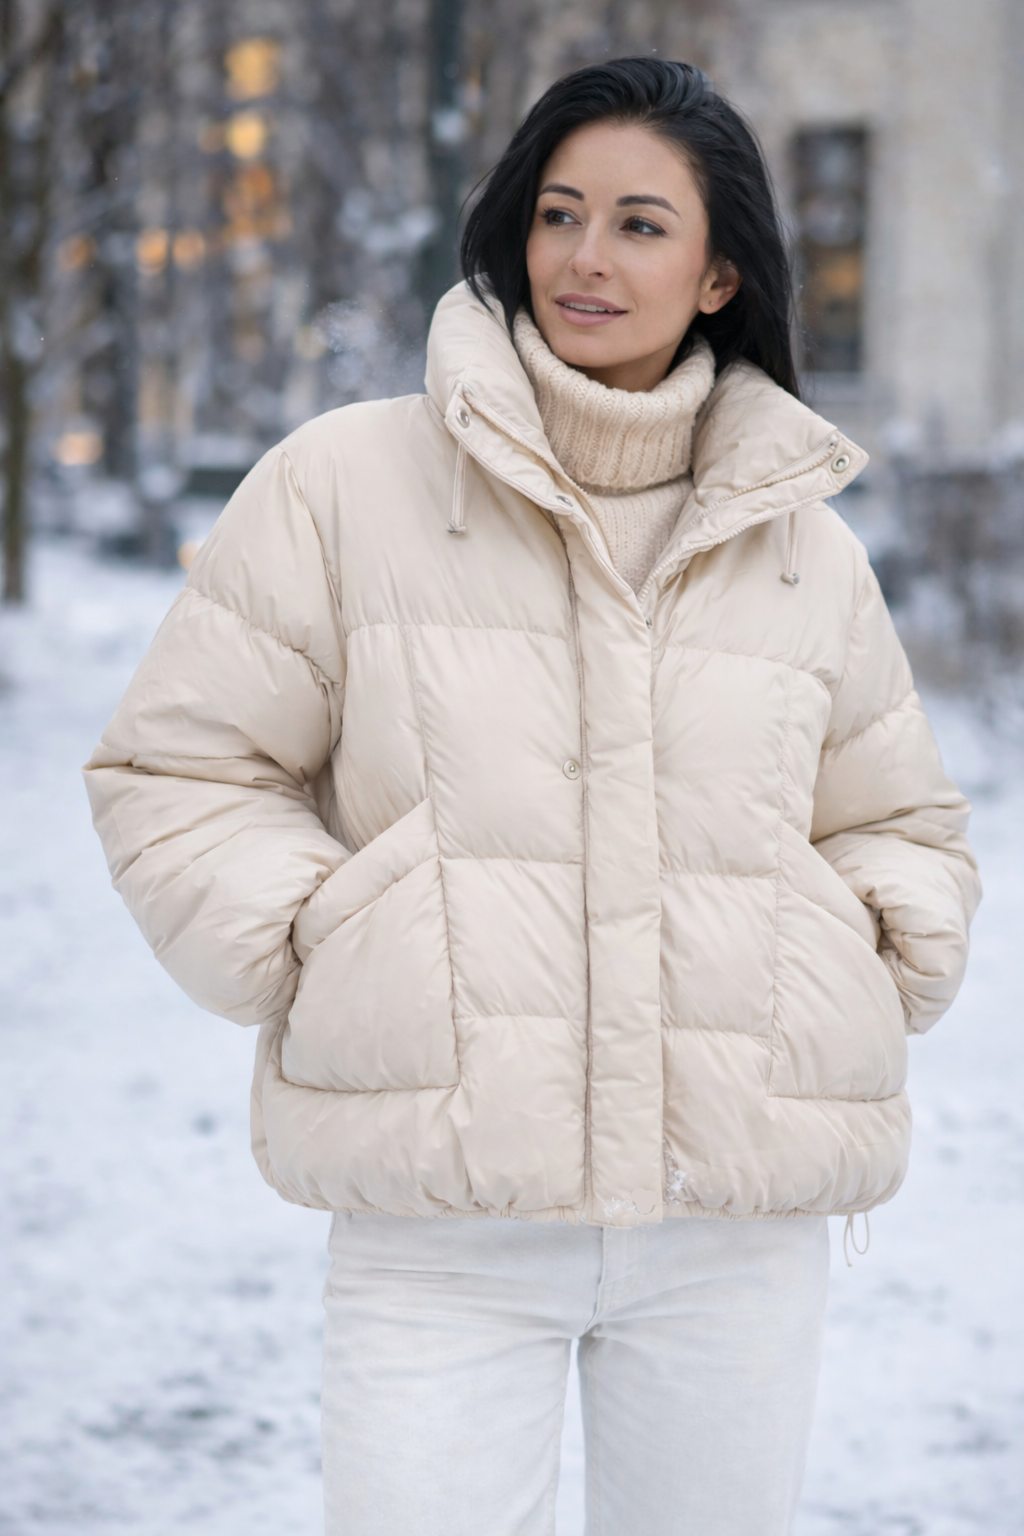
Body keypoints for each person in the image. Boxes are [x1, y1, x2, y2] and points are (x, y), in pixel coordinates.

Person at [85, 57, 980, 1536]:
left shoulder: (802, 548)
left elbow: (897, 822)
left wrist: (862, 951)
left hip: (734, 1220)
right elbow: (182, 765)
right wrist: (332, 938)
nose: (583, 256)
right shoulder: (345, 485)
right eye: (559, 213)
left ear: (718, 275)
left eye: (640, 224)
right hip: (442, 1219)